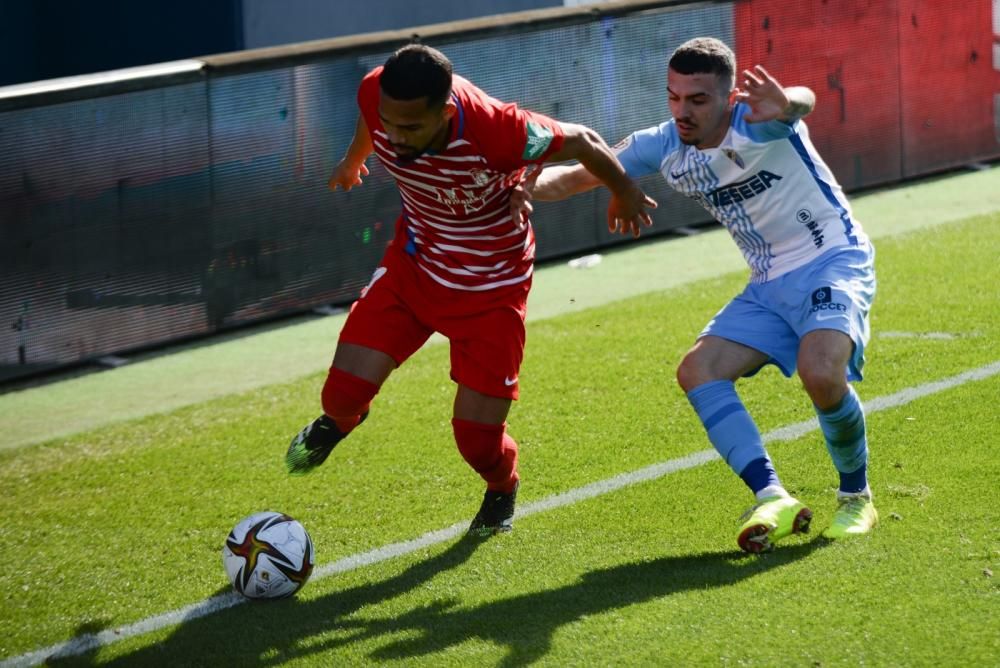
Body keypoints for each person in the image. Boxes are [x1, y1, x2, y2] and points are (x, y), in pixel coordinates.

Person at [521, 37, 878, 552]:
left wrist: (792, 103)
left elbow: (802, 99)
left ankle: (855, 499)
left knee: (820, 372)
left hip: (832, 260)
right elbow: (571, 178)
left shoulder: (758, 121)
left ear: (729, 96)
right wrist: (523, 179)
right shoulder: (662, 143)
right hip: (767, 283)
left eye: (697, 100)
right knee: (697, 370)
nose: (682, 111)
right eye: (673, 97)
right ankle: (773, 496)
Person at [285, 44, 656, 537]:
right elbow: (372, 120)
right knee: (340, 396)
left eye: (410, 128)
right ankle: (342, 421)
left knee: (477, 443)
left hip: (493, 290)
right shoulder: (378, 93)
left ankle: (503, 486)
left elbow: (585, 140)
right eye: (388, 125)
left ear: (446, 110)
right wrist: (355, 157)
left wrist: (625, 191)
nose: (394, 138)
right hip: (414, 269)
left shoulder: (499, 129)